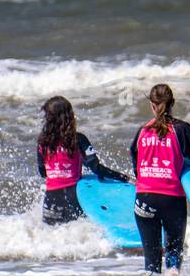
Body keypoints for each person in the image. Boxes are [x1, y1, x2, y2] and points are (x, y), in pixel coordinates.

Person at [129, 84, 190, 276]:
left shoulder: (142, 131)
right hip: (171, 200)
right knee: (173, 261)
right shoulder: (181, 129)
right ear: (172, 103)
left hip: (143, 199)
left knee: (151, 265)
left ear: (151, 105)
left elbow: (136, 164)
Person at [37, 96, 131, 225]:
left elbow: (43, 172)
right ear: (69, 117)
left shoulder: (43, 142)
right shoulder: (78, 139)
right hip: (74, 196)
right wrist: (124, 177)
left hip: (50, 200)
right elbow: (96, 168)